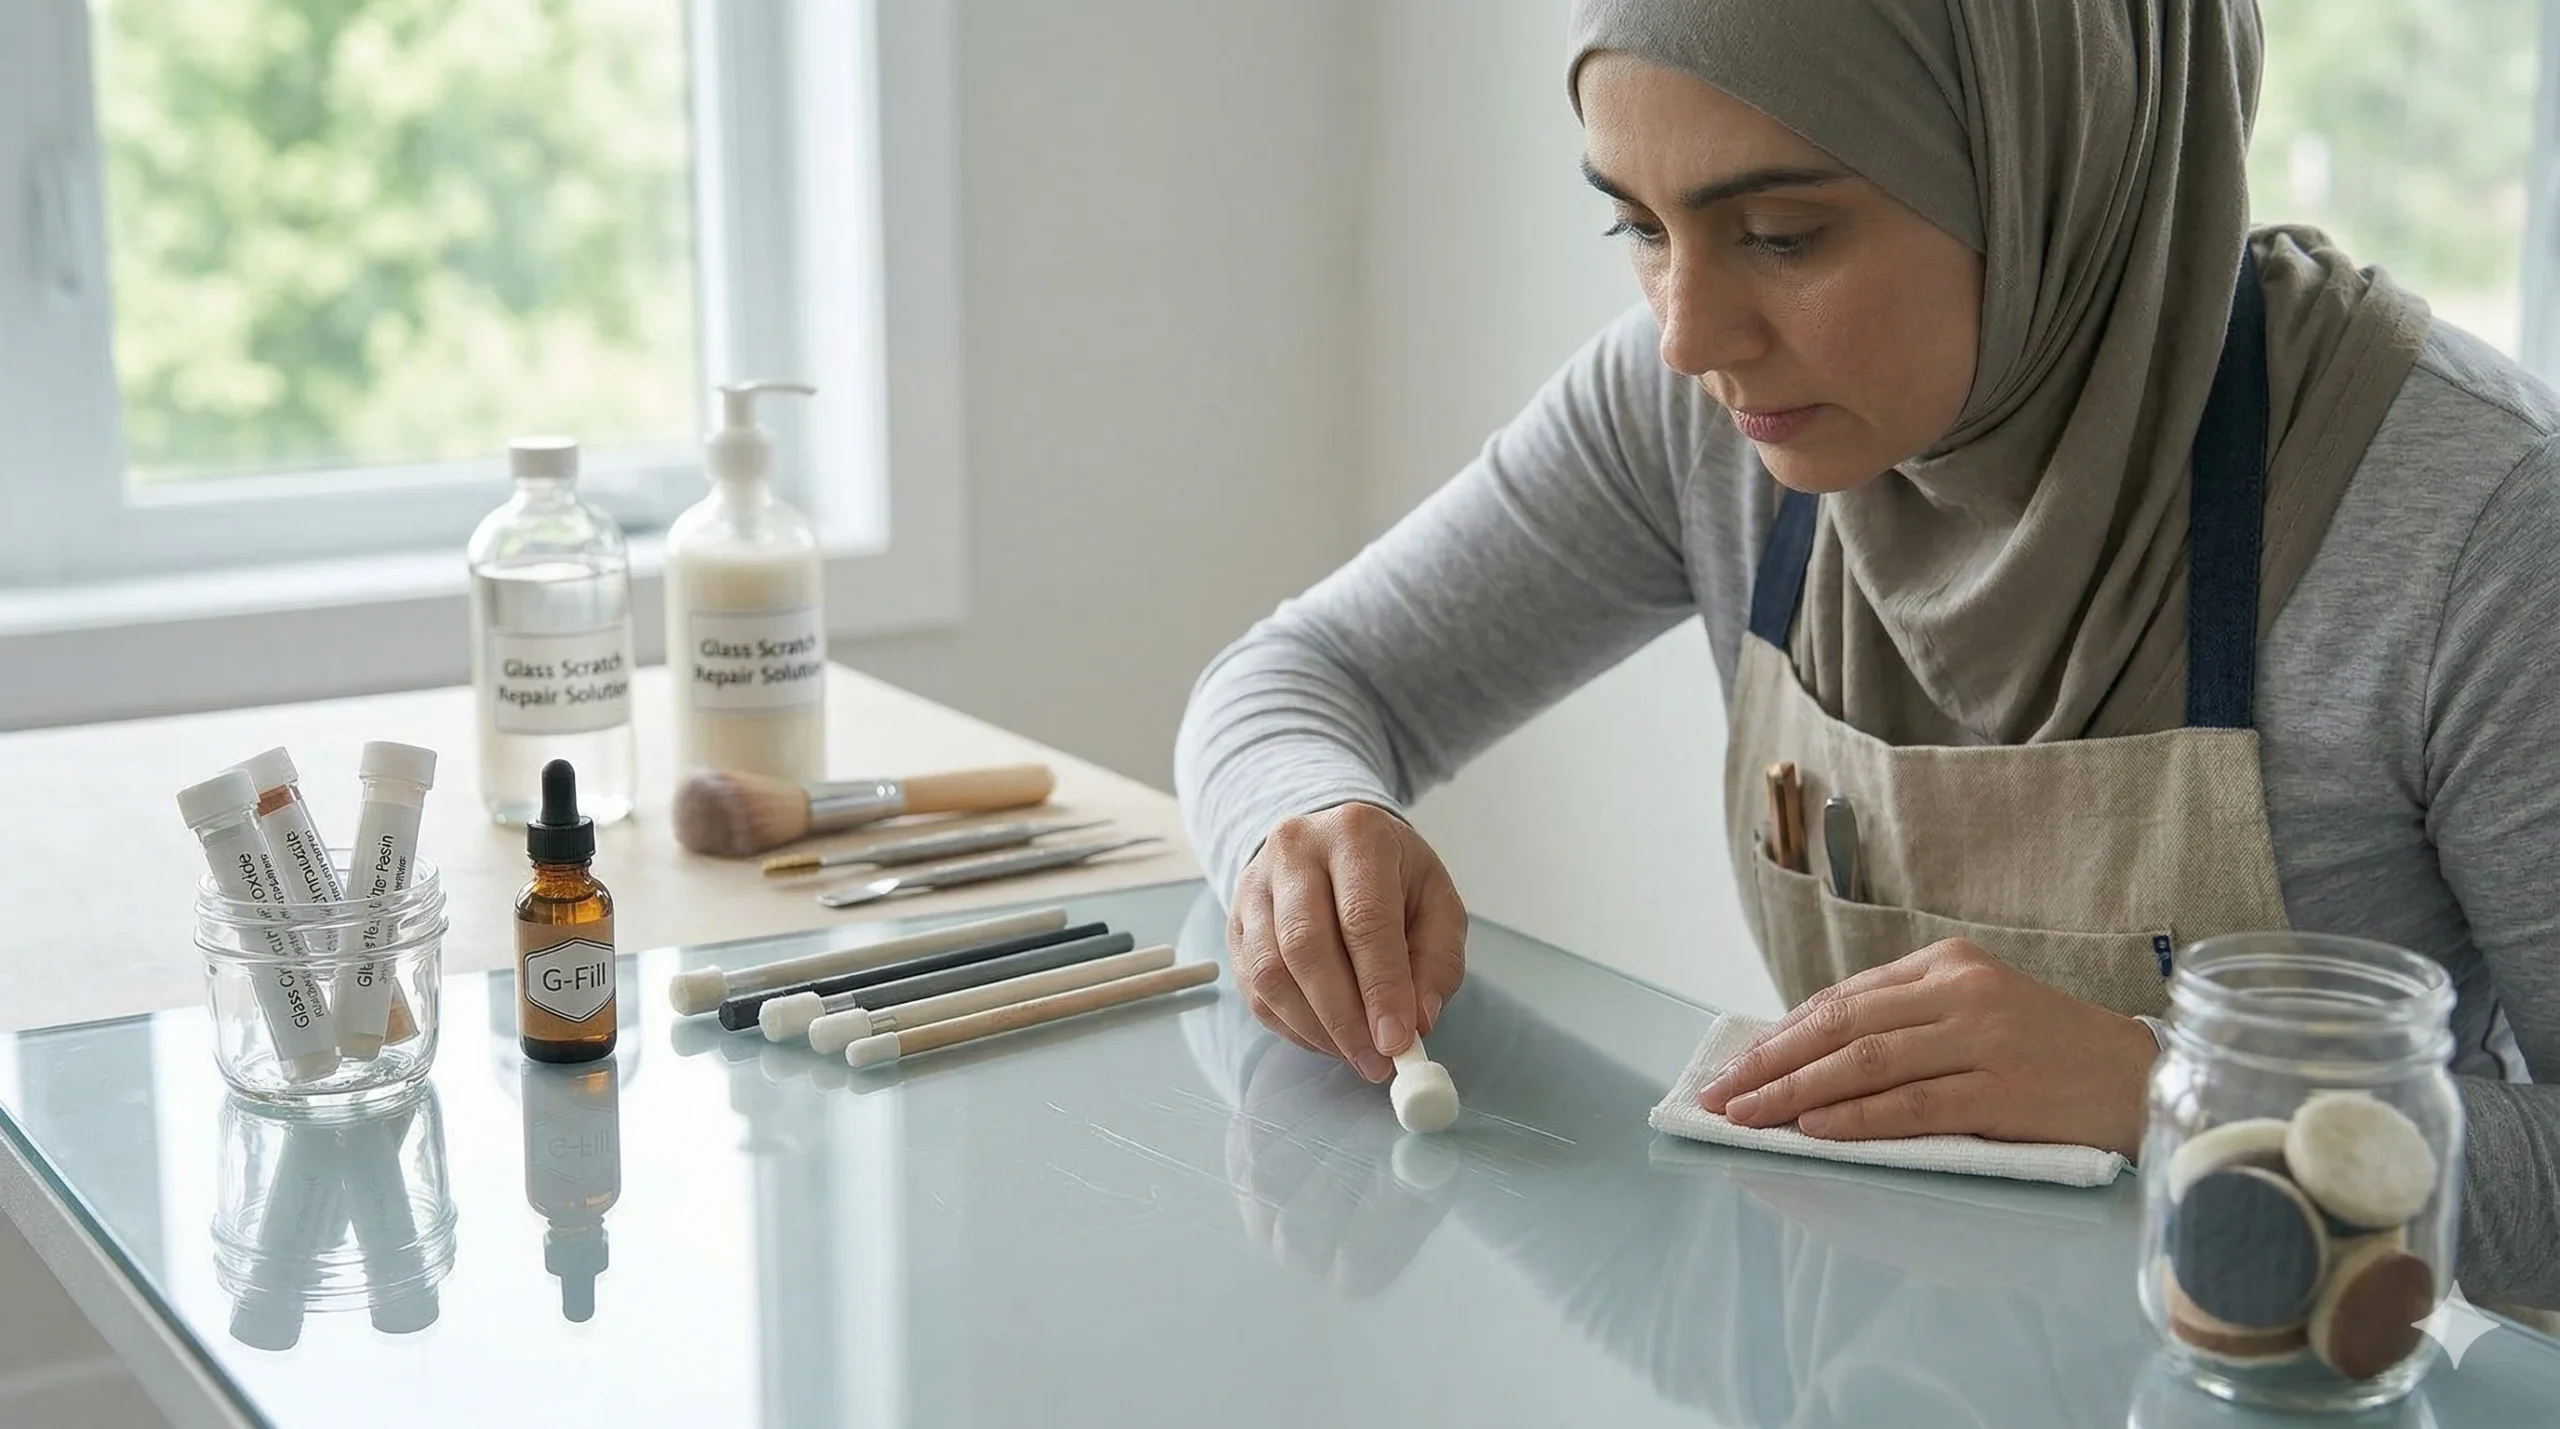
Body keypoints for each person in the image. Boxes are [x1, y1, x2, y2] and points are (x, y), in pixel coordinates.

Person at [1175, 0, 2560, 1308]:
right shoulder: (1707, 424)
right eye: (1636, 229)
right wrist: (1305, 827)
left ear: (2043, 158)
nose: (1686, 336)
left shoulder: (2477, 527)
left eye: (1780, 233)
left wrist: (2161, 1089)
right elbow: (1301, 679)